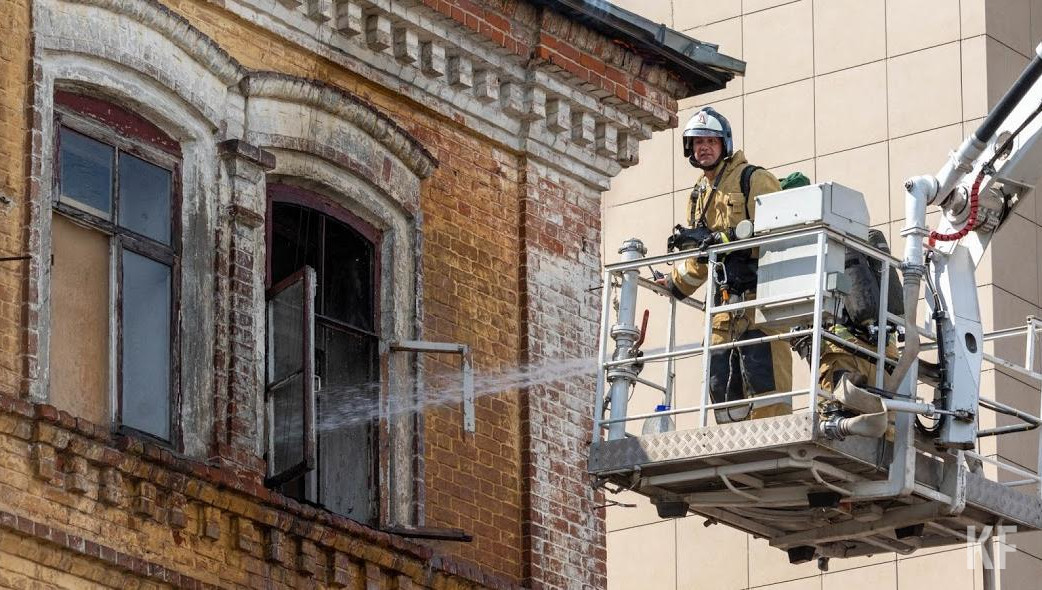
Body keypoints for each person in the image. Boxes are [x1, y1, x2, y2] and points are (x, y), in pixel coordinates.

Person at [660, 107, 793, 422]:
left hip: (758, 299)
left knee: (764, 375)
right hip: (722, 307)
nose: (703, 147)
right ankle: (731, 434)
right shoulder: (697, 195)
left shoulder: (754, 179)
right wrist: (675, 283)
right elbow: (701, 256)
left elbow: (780, 232)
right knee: (720, 377)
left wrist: (730, 238)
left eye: (711, 141)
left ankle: (770, 434)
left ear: (725, 144)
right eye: (697, 142)